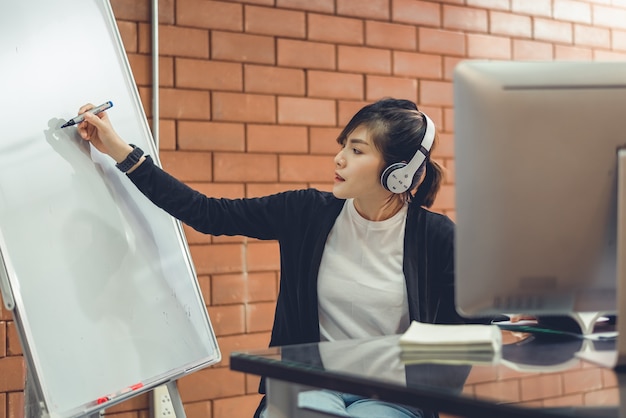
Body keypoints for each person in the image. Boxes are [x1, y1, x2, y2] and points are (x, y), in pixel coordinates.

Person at [77, 98, 467, 418]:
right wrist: (118, 150)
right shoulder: (306, 211)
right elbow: (208, 213)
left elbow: (467, 321)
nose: (339, 159)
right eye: (343, 145)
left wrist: (511, 317)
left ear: (398, 173)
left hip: (391, 398)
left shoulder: (435, 237)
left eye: (356, 150)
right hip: (312, 387)